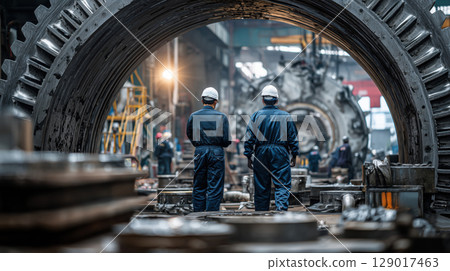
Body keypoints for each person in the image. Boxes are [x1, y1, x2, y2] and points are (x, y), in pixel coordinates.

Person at [244, 85, 299, 211]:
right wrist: (294, 154)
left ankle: (261, 215)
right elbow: (292, 137)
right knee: (282, 185)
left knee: (261, 185)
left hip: (261, 152)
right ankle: (281, 213)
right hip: (280, 152)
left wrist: (248, 155)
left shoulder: (256, 116)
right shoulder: (285, 116)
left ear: (262, 100)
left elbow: (249, 137)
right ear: (277, 100)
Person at [186, 87, 231, 212]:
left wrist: (199, 144)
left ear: (202, 100)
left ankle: (199, 217)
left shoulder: (193, 116)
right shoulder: (222, 117)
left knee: (199, 185)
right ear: (216, 101)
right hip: (217, 152)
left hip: (200, 151)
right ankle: (212, 218)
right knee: (215, 186)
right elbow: (227, 139)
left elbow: (189, 134)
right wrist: (217, 145)